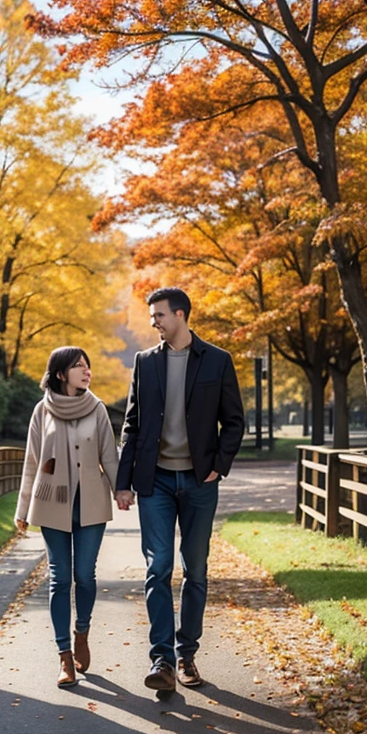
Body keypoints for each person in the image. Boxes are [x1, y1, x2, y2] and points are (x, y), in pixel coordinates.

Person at [115, 287, 244, 692]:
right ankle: (162, 661)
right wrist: (123, 482)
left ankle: (187, 654)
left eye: (159, 316)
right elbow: (132, 425)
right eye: (153, 316)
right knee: (158, 569)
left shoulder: (218, 360)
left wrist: (217, 467)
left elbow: (235, 422)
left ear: (181, 315)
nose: (154, 323)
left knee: (196, 570)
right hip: (154, 483)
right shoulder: (144, 362)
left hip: (198, 482)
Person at [15, 346, 119, 688]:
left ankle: (82, 633)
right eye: (79, 367)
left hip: (90, 503)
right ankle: (64, 657)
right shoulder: (41, 412)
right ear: (61, 374)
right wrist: (22, 510)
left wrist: (123, 490)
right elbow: (32, 462)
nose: (87, 371)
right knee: (59, 579)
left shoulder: (98, 409)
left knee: (85, 576)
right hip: (51, 503)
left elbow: (110, 455)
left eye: (88, 366)